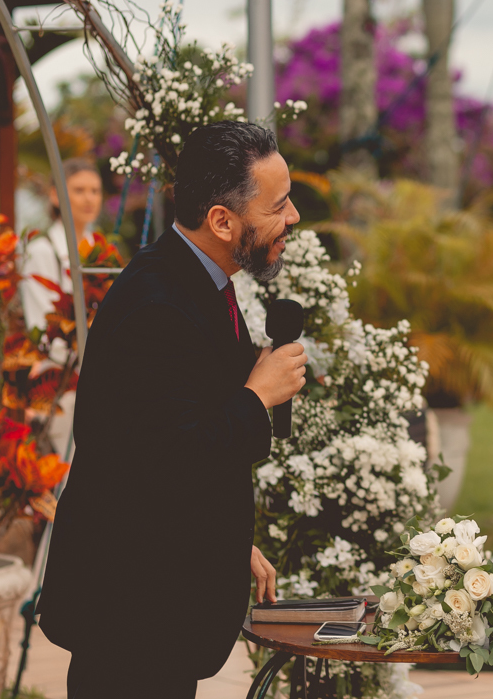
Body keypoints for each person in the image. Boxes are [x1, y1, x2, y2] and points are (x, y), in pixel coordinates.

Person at [38, 122, 307, 699]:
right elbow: (166, 456)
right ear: (222, 221)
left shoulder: (200, 279)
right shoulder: (157, 305)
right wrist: (257, 396)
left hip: (158, 604)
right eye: (278, 205)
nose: (293, 217)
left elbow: (170, 438)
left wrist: (228, 540)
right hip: (130, 614)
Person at [20, 157, 104, 333]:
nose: (89, 199)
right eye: (79, 190)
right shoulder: (41, 251)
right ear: (55, 195)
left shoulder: (101, 249)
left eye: (95, 191)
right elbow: (41, 323)